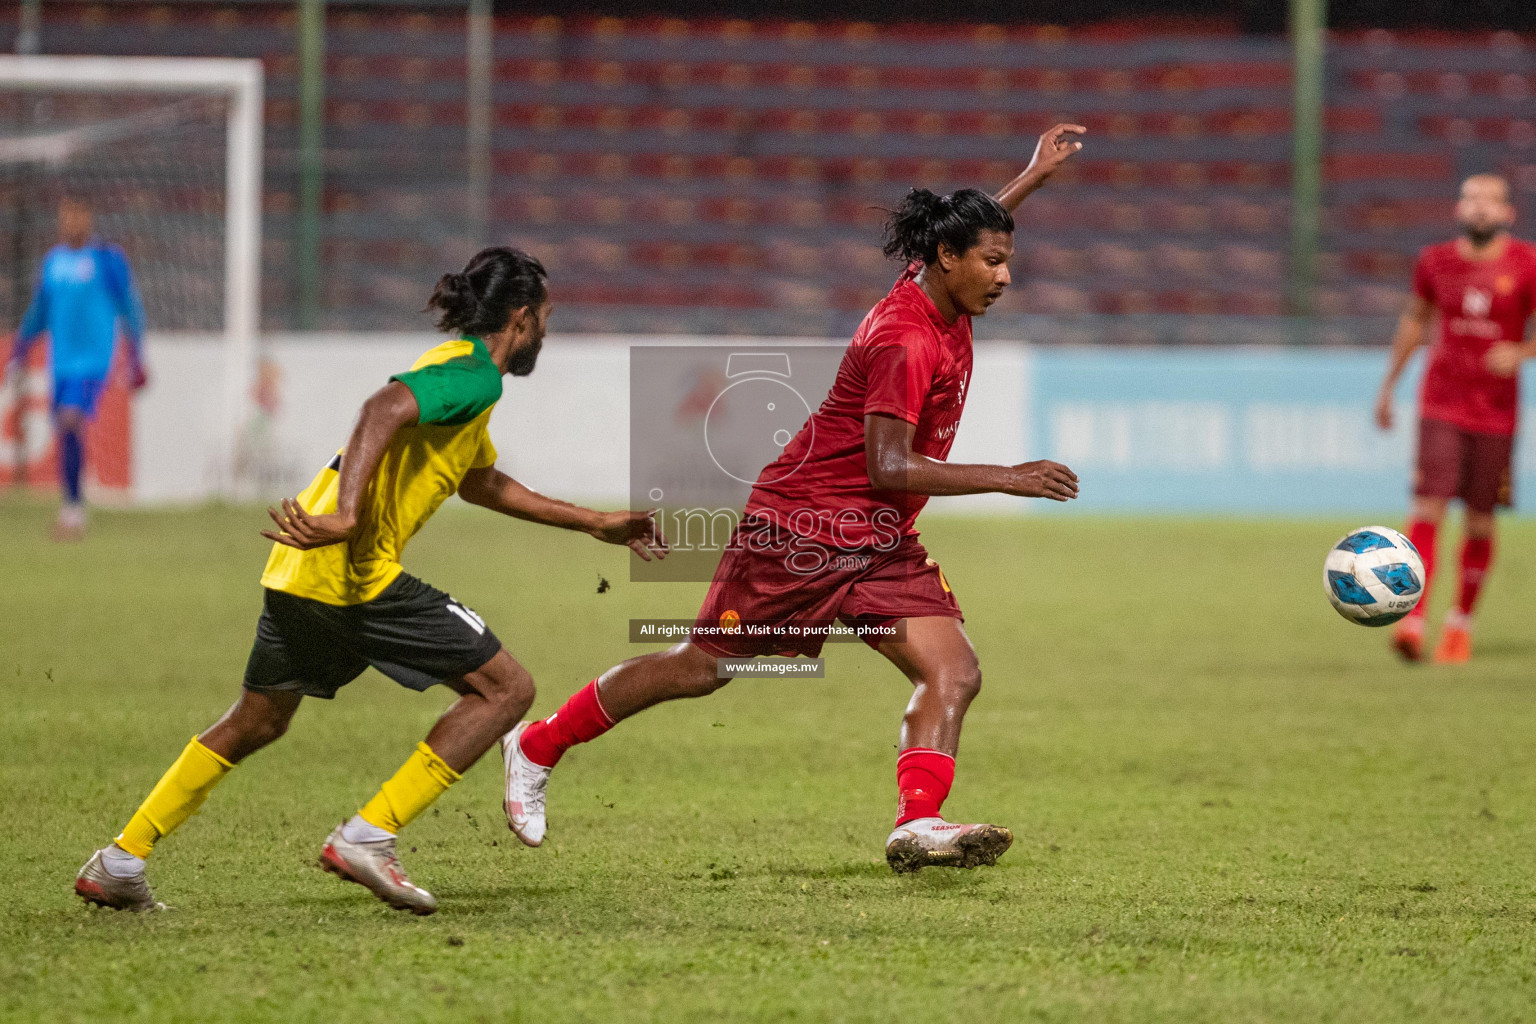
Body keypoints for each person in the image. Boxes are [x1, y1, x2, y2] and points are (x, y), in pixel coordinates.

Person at [498, 125, 1086, 874]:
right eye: (995, 263)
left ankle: (918, 824)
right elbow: (891, 464)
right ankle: (538, 743)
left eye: (1008, 260)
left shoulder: (940, 280)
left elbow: (967, 231)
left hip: (873, 535)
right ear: (949, 261)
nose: (1005, 278)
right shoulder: (906, 338)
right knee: (702, 667)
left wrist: (1030, 177)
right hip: (802, 523)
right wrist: (1009, 476)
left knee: (954, 671)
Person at [73, 247, 666, 914]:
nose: (546, 334)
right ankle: (368, 835)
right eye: (546, 319)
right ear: (522, 318)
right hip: (351, 575)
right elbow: (383, 408)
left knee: (257, 720)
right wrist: (348, 514)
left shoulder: (456, 377)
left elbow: (481, 480)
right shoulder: (474, 376)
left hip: (298, 573)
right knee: (507, 689)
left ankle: (121, 859)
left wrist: (593, 522)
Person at [1374, 174, 1536, 664]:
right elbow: (1415, 319)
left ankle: (1459, 623)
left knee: (1481, 520)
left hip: (1496, 413)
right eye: (1471, 199)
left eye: (1490, 201)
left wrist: (1524, 351)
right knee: (1427, 508)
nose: (1480, 208)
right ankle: (1414, 620)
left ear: (1508, 213)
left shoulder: (1527, 264)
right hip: (1441, 403)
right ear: (1459, 209)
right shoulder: (1435, 261)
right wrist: (1388, 386)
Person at [6, 197, 148, 539]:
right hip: (62, 363)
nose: (70, 224)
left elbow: (129, 306)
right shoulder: (53, 262)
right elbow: (40, 310)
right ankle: (73, 504)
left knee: (70, 419)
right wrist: (21, 348)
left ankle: (73, 511)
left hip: (95, 360)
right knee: (67, 427)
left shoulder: (107, 259)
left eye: (77, 217)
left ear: (88, 220)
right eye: (65, 218)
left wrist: (136, 354)